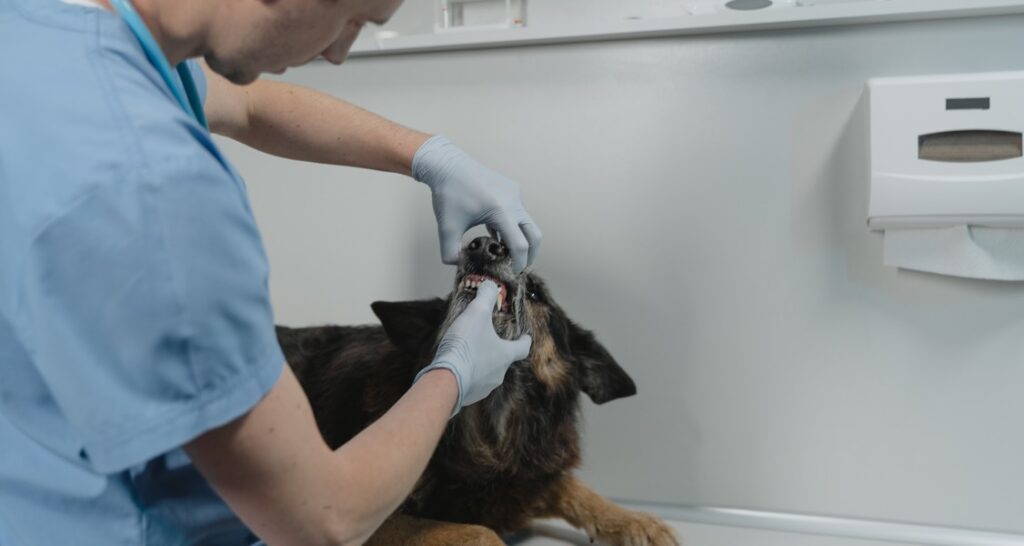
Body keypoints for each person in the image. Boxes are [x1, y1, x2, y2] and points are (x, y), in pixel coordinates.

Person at [0, 0, 541, 544]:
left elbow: (247, 102)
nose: (337, 52)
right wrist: (453, 371)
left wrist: (427, 154)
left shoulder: (42, 31)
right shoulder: (158, 194)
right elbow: (326, 519)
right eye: (354, 18)